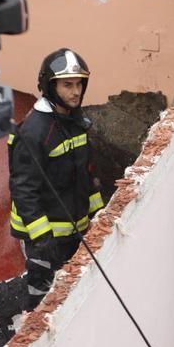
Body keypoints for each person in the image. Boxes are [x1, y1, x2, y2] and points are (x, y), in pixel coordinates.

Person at [7, 49, 103, 310]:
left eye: (79, 84)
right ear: (50, 86)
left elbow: (86, 175)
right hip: (45, 237)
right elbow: (23, 189)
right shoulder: (35, 131)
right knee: (42, 304)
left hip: (77, 229)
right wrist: (42, 238)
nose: (76, 92)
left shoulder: (76, 122)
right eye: (67, 85)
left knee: (72, 297)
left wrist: (99, 216)